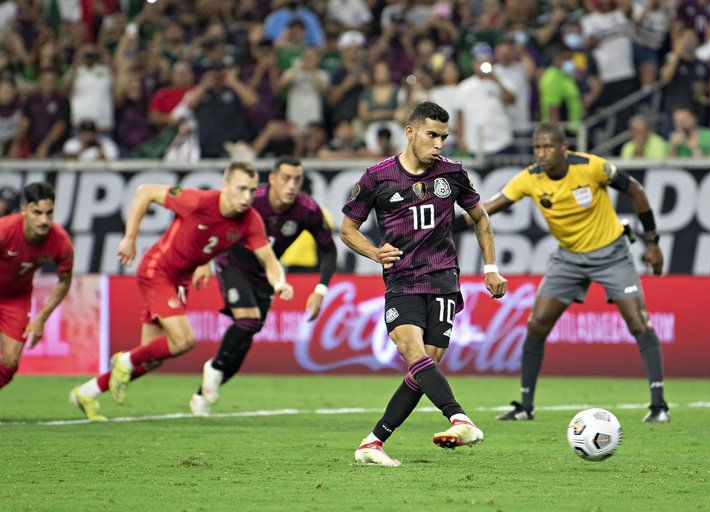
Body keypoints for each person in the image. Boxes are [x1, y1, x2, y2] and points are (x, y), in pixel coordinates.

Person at [459, 122, 668, 423]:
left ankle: (659, 405)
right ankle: (525, 406)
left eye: (547, 146)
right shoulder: (530, 178)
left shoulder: (592, 167)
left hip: (611, 254)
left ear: (563, 148)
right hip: (568, 259)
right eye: (537, 147)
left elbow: (636, 190)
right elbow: (487, 210)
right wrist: (444, 226)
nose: (541, 153)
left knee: (638, 321)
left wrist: (652, 242)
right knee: (537, 323)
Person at [341, 102, 507, 466]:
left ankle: (372, 443)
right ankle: (459, 417)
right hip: (402, 280)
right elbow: (347, 230)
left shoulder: (453, 173)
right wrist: (373, 252)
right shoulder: (377, 177)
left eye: (444, 137)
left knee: (422, 369)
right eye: (432, 135)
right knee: (412, 351)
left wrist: (490, 267)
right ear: (411, 133)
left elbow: (481, 218)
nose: (440, 144)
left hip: (444, 280)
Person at [70, 162, 294, 421]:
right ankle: (124, 360)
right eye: (241, 189)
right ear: (224, 186)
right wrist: (130, 237)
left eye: (252, 190)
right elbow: (145, 191)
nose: (246, 197)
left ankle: (86, 392)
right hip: (157, 271)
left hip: (178, 281)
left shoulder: (250, 220)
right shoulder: (197, 201)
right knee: (183, 341)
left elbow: (268, 260)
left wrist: (280, 283)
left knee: (151, 358)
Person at [189, 156, 337, 416]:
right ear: (272, 179)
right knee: (248, 321)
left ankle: (202, 395)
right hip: (232, 262)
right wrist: (203, 259)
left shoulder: (307, 210)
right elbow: (214, 220)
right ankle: (212, 369)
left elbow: (329, 251)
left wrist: (320, 290)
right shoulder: (252, 199)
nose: (292, 185)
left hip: (267, 274)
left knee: (244, 342)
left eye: (297, 179)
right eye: (286, 178)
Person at [0, 183, 74, 392]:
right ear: (24, 210)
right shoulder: (5, 230)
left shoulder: (60, 242)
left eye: (49, 213)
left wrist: (41, 317)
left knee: (10, 362)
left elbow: (64, 281)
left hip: (16, 298)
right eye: (37, 213)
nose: (44, 220)